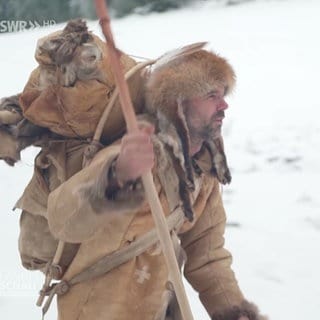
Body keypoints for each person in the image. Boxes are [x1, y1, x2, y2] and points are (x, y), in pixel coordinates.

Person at [42, 50, 267, 320]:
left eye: (223, 94)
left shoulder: (203, 171)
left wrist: (234, 311)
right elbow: (61, 221)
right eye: (211, 96)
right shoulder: (134, 150)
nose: (223, 105)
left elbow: (207, 257)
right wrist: (118, 175)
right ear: (178, 104)